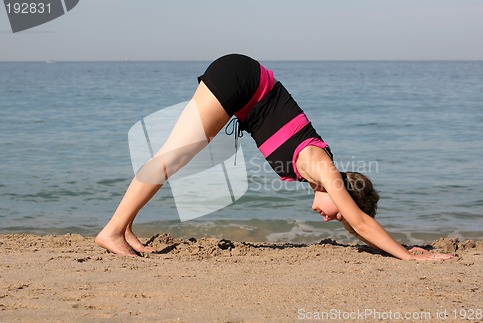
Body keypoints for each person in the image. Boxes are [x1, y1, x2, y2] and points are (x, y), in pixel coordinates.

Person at [96, 54, 454, 260]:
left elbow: (359, 225)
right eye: (338, 215)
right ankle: (112, 231)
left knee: (172, 158)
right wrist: (409, 258)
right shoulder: (322, 166)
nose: (330, 219)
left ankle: (125, 229)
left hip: (246, 85)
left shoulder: (315, 170)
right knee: (171, 159)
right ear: (344, 196)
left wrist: (403, 246)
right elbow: (360, 223)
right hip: (243, 82)